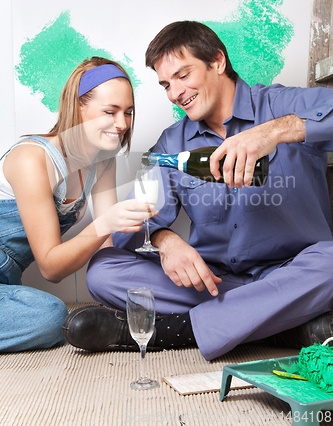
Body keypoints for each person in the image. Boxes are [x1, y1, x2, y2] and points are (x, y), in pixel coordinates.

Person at [64, 22, 333, 361]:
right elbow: (138, 224)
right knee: (103, 271)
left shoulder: (283, 103)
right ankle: (285, 324)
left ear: (217, 61)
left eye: (182, 75)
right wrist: (166, 242)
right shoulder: (171, 144)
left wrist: (280, 130)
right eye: (165, 84)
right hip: (211, 281)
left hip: (294, 271)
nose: (175, 93)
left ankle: (175, 331)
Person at [0, 56, 157, 352]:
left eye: (128, 112)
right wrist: (105, 223)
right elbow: (51, 267)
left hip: (5, 280)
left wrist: (121, 287)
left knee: (50, 315)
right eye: (109, 112)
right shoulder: (32, 158)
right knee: (51, 317)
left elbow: (108, 242)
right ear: (79, 107)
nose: (122, 123)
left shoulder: (102, 160)